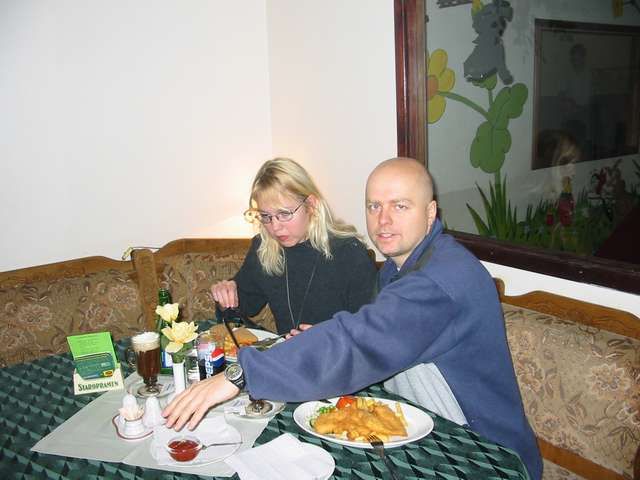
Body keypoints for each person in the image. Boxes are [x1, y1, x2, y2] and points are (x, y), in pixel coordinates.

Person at [164, 157, 543, 480]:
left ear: (430, 213)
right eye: (374, 206)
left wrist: (241, 375)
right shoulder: (399, 269)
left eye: (400, 206)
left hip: (484, 453)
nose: (383, 220)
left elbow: (359, 341)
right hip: (425, 428)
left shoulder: (439, 280)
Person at [211, 157, 377, 335]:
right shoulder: (265, 248)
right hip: (287, 351)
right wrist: (226, 298)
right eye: (265, 216)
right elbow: (243, 310)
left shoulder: (349, 253)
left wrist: (326, 340)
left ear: (311, 205)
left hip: (335, 352)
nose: (275, 227)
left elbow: (369, 331)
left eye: (284, 214)